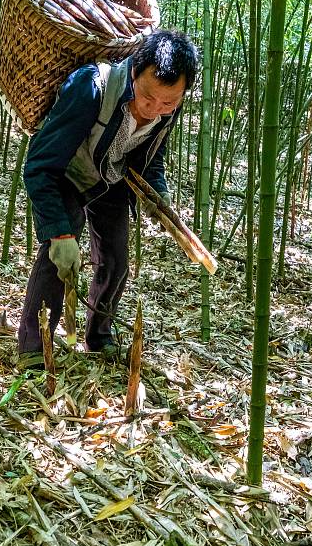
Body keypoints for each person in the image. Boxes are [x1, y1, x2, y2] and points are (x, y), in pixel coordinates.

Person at [16, 30, 200, 369]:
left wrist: (157, 195)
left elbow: (149, 157)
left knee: (115, 260)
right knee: (61, 260)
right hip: (70, 170)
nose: (153, 110)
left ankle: (99, 336)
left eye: (168, 102)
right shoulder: (90, 88)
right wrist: (59, 232)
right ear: (134, 72)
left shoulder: (166, 110)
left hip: (111, 178)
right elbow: (40, 165)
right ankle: (33, 348)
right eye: (147, 97)